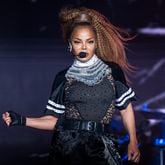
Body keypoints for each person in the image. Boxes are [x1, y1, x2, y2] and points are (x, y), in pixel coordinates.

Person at [2, 6, 140, 165]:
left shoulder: (112, 71)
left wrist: (133, 140)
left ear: (96, 43)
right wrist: (21, 120)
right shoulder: (63, 77)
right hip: (67, 147)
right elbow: (52, 120)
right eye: (77, 42)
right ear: (70, 45)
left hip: (102, 146)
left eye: (89, 42)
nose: (84, 47)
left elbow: (125, 108)